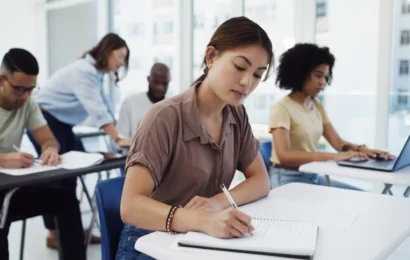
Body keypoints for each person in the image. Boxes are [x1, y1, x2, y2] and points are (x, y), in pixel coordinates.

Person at [117, 16, 274, 260]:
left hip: (198, 237)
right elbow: (130, 206)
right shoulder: (164, 117)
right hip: (149, 239)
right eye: (240, 67)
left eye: (257, 75)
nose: (247, 83)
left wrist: (215, 204)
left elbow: (261, 181)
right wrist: (203, 220)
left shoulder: (236, 113)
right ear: (211, 57)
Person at [29, 33, 131, 248]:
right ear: (107, 50)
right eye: (120, 56)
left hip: (61, 123)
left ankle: (72, 230)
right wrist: (117, 138)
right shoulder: (83, 71)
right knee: (56, 177)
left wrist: (117, 138)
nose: (121, 62)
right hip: (44, 119)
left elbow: (106, 109)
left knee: (77, 170)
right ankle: (54, 234)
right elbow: (96, 109)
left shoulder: (95, 73)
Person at [268, 43, 394, 189]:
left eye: (325, 76)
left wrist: (363, 150)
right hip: (287, 178)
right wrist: (335, 157)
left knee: (360, 194)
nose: (322, 82)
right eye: (318, 75)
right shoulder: (282, 108)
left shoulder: (316, 105)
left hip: (312, 175)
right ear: (300, 73)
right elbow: (285, 156)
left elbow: (338, 143)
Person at [0, 48, 86, 260]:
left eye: (31, 89)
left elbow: (49, 140)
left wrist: (50, 150)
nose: (26, 96)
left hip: (8, 188)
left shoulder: (28, 103)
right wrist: (2, 159)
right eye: (19, 89)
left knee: (65, 200)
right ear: (1, 80)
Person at [117, 62, 170, 140]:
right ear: (148, 79)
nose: (160, 88)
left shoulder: (173, 107)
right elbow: (120, 139)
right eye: (156, 82)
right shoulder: (130, 103)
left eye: (164, 84)